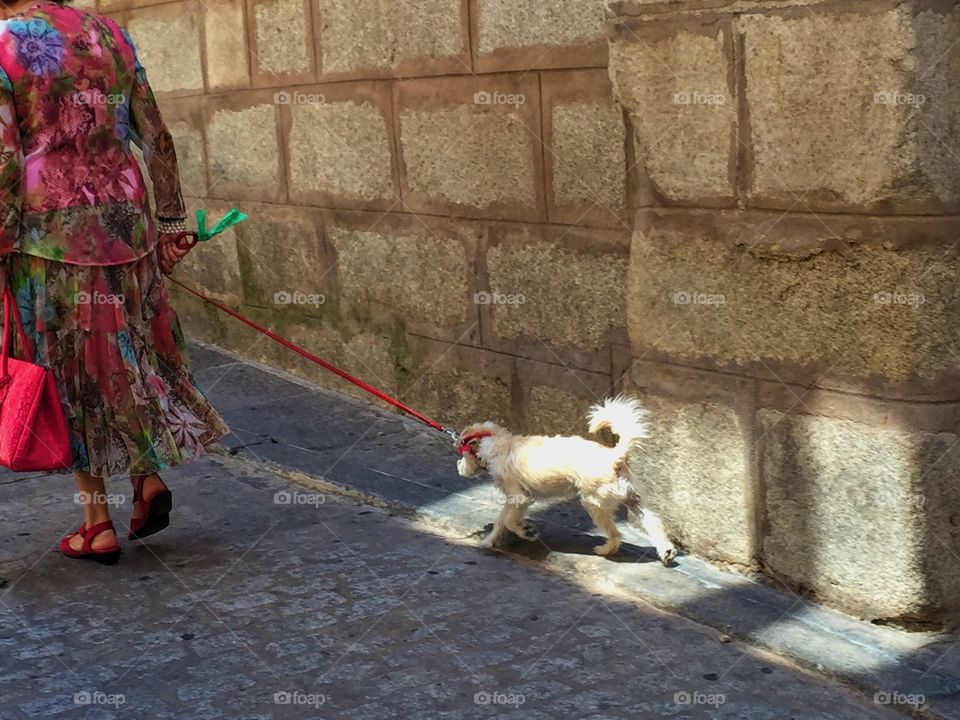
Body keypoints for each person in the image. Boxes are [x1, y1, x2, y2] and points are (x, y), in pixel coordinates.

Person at [0, 0, 229, 563]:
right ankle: (146, 475)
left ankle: (95, 521)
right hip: (128, 224)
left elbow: (4, 158)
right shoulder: (111, 35)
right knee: (127, 349)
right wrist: (173, 223)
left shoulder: (4, 42)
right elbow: (156, 136)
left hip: (47, 236)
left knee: (71, 369)